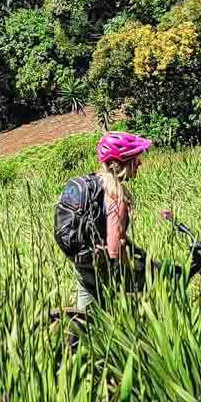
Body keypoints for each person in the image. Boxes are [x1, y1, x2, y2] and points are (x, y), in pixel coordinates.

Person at [55, 130, 153, 313]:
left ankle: (74, 337)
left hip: (80, 256)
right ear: (122, 163)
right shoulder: (116, 193)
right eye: (135, 159)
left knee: (86, 310)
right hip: (100, 260)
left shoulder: (92, 182)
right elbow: (115, 242)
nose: (139, 163)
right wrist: (127, 266)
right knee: (151, 278)